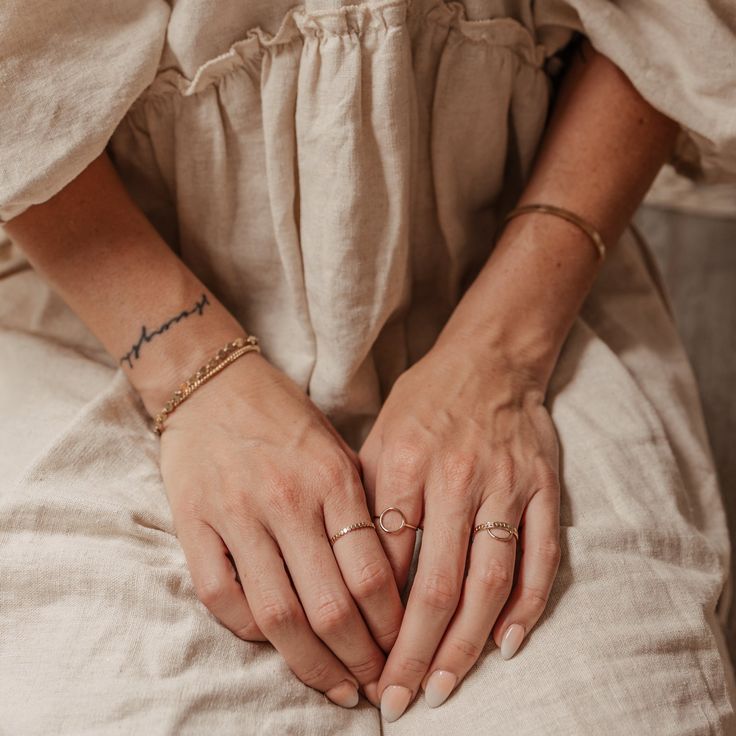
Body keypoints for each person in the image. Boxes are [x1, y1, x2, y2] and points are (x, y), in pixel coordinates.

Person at [1, 0, 735, 733]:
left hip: (525, 280)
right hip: (109, 304)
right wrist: (194, 371)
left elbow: (676, 24)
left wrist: (501, 356)